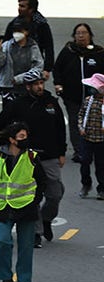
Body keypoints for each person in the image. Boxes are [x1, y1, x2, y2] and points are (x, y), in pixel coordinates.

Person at [0, 73, 65, 247]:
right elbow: (1, 120)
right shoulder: (18, 105)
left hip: (49, 155)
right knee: (31, 194)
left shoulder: (51, 103)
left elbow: (59, 128)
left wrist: (62, 152)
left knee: (55, 193)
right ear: (28, 86)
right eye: (36, 84)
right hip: (27, 156)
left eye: (41, 83)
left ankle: (46, 219)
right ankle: (35, 232)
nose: (40, 87)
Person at [0, 122, 46, 282]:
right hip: (2, 206)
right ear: (12, 140)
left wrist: (35, 200)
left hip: (26, 207)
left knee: (26, 246)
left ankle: (24, 281)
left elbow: (41, 181)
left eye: (26, 136)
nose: (25, 139)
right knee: (3, 241)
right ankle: (6, 279)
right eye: (21, 137)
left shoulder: (32, 156)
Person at [53, 23, 104, 185]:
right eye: (78, 33)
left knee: (97, 121)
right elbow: (58, 69)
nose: (81, 36)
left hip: (97, 97)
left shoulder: (98, 52)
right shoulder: (68, 51)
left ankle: (97, 148)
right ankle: (80, 151)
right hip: (72, 96)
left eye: (84, 33)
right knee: (76, 121)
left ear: (90, 35)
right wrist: (58, 84)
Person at [77, 73, 104, 199]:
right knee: (84, 161)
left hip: (101, 140)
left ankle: (102, 188)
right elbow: (81, 115)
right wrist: (81, 128)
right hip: (87, 138)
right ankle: (86, 184)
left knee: (101, 165)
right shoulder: (88, 100)